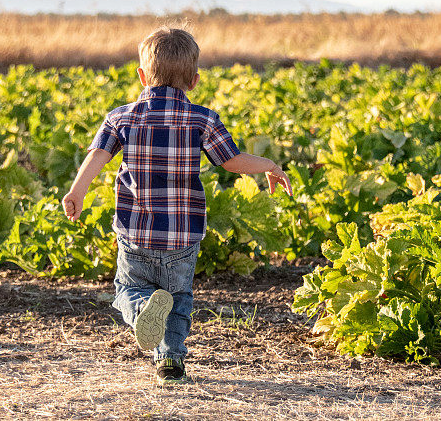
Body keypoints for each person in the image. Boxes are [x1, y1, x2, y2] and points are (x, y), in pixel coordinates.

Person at [62, 27, 292, 385]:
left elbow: (98, 156)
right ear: (195, 80)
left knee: (127, 289)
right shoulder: (203, 119)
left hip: (136, 231)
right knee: (178, 299)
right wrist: (270, 166)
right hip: (183, 237)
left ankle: (140, 311)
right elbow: (231, 160)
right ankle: (170, 362)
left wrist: (76, 192)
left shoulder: (121, 117)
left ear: (141, 75)